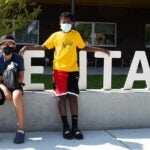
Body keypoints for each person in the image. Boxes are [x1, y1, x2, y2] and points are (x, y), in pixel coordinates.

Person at [19, 12, 110, 140]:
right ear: (60, 23)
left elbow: (84, 47)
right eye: (64, 22)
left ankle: (75, 127)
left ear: (72, 24)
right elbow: (43, 47)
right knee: (61, 98)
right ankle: (65, 127)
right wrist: (28, 47)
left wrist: (101, 50)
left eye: (68, 22)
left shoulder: (75, 34)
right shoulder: (56, 36)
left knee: (73, 98)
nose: (66, 24)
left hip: (73, 71)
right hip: (59, 71)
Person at [0, 35, 25, 144]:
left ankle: (21, 130)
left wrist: (4, 77)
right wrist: (5, 89)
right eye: (4, 43)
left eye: (10, 43)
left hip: (15, 85)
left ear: (14, 46)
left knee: (17, 96)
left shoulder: (18, 58)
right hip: (2, 86)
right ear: (0, 46)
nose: (7, 46)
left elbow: (20, 78)